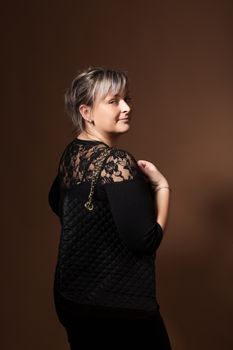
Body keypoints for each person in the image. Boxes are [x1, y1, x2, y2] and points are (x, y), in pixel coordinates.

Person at [48, 66, 172, 349]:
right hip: (117, 305)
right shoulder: (118, 162)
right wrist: (162, 188)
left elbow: (56, 202)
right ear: (86, 112)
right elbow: (146, 241)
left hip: (71, 295)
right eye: (114, 101)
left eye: (127, 98)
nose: (126, 107)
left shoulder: (72, 154)